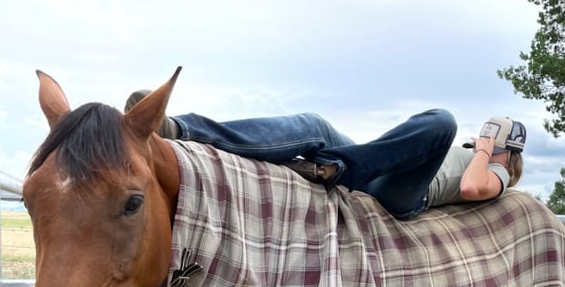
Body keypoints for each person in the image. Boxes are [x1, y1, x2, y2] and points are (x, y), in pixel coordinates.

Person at [125, 91, 526, 220]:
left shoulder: (498, 174)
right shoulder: (478, 156)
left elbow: (471, 188)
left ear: (508, 152)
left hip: (405, 195)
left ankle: (339, 166)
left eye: (493, 137)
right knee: (314, 124)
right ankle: (180, 129)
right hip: (376, 167)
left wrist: (484, 151)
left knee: (442, 121)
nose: (484, 138)